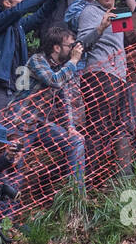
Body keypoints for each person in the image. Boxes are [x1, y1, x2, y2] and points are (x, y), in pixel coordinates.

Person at [75, 0, 136, 176]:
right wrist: (101, 27)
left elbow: (127, 39)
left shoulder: (119, 11)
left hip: (119, 75)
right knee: (98, 127)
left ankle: (111, 175)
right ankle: (89, 178)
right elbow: (82, 44)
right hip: (99, 74)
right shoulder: (90, 12)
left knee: (112, 126)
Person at [10, 25, 88, 193]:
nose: (74, 50)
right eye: (70, 46)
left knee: (76, 142)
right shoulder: (37, 60)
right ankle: (5, 213)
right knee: (14, 168)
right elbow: (54, 80)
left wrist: (70, 128)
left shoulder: (63, 69)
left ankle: (76, 197)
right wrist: (74, 61)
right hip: (19, 124)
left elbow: (64, 101)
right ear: (56, 47)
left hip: (40, 125)